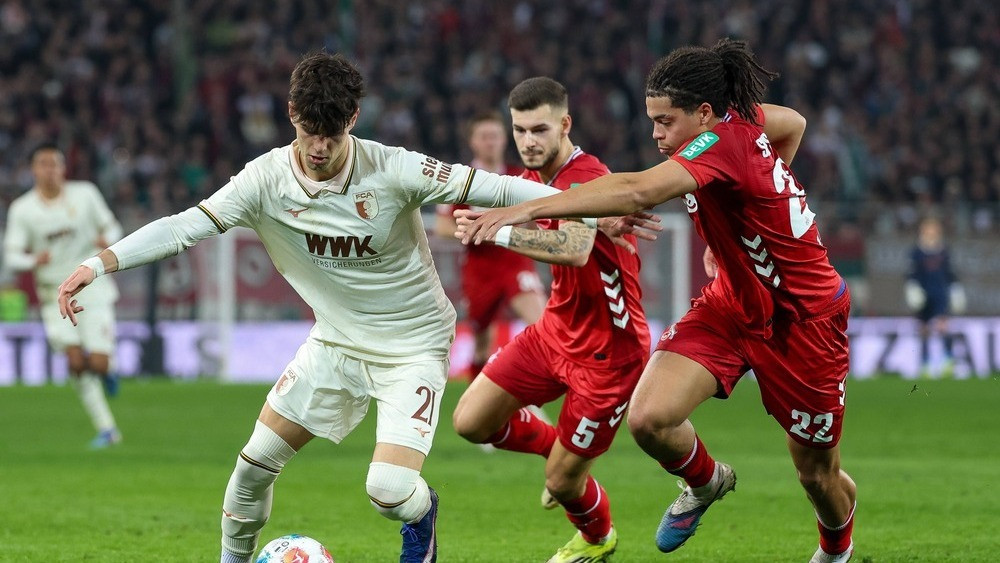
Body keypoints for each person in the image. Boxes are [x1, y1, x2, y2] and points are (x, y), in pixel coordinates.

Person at [55, 52, 654, 563]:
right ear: (292, 114)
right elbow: (185, 226)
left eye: (332, 134)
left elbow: (497, 187)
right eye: (309, 131)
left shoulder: (394, 168)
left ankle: (423, 517)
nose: (319, 148)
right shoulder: (264, 179)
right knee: (251, 470)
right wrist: (98, 263)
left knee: (390, 490)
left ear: (353, 120)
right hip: (335, 343)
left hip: (413, 347)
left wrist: (593, 206)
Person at [462, 39, 857, 563]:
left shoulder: (722, 143)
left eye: (665, 121)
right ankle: (705, 483)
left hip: (804, 322)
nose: (655, 134)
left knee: (816, 475)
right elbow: (792, 124)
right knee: (648, 419)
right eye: (652, 120)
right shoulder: (741, 123)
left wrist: (523, 212)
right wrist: (737, 232)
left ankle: (835, 550)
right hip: (731, 304)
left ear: (705, 114)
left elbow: (637, 191)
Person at [451, 77, 650, 563]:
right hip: (555, 331)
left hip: (609, 351)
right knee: (470, 421)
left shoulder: (585, 175)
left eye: (539, 130)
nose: (528, 141)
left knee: (562, 483)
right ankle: (556, 447)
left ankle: (597, 538)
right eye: (520, 130)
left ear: (565, 125)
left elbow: (574, 248)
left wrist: (496, 230)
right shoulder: (532, 177)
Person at [3, 143, 123, 448]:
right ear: (34, 170)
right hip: (54, 294)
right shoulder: (23, 209)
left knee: (98, 364)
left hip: (93, 289)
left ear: (63, 168)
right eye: (43, 164)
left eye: (55, 164)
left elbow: (113, 227)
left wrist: (107, 240)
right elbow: (11, 255)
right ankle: (108, 430)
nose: (50, 170)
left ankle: (109, 370)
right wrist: (33, 260)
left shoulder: (86, 194)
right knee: (75, 362)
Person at [435, 111, 546, 381]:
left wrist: (530, 230)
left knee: (543, 326)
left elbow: (539, 218)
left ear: (504, 139)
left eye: (495, 136)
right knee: (482, 343)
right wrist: (475, 230)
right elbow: (442, 226)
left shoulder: (521, 177)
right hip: (479, 268)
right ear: (473, 142)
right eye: (484, 136)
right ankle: (477, 398)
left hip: (515, 259)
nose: (490, 142)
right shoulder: (459, 179)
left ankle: (537, 387)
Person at [905, 216, 965, 378]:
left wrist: (955, 289)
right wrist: (912, 288)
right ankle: (925, 363)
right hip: (923, 295)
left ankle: (948, 361)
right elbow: (911, 273)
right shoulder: (917, 251)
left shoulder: (943, 250)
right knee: (924, 329)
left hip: (940, 293)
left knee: (943, 326)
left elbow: (950, 272)